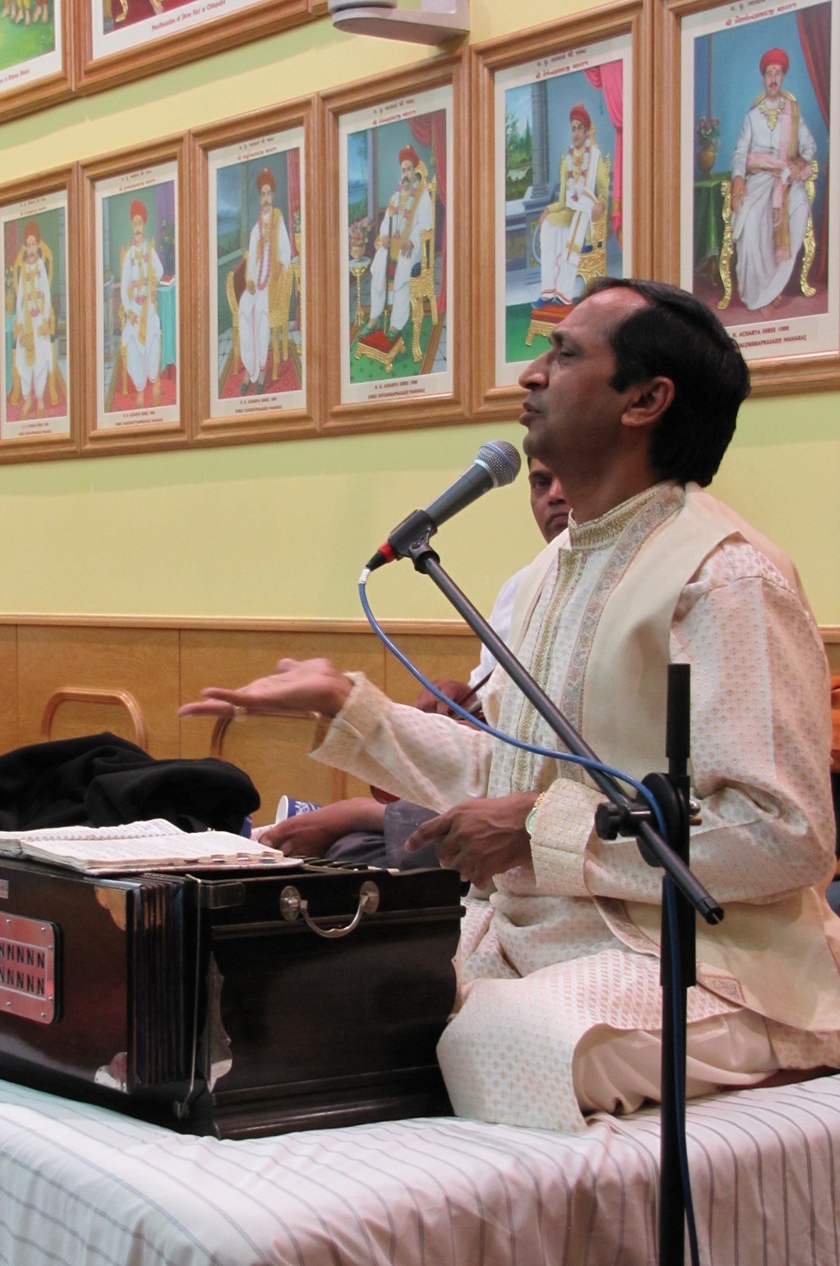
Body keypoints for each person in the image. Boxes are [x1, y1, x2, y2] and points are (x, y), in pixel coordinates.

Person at [181, 278, 839, 1133]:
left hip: (711, 966)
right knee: (323, 995)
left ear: (645, 400)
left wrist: (536, 830)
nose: (531, 374)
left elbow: (785, 834)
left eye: (564, 354)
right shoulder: (543, 576)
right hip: (530, 938)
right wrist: (350, 708)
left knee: (504, 1040)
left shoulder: (724, 577)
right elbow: (505, 775)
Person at [259, 459, 571, 863]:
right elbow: (495, 725)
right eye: (541, 482)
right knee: (340, 853)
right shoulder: (522, 586)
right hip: (483, 796)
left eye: (571, 473)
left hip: (541, 833)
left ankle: (361, 817)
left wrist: (359, 812)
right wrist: (463, 696)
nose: (555, 495)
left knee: (358, 853)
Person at [729, 48, 816, 316]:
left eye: (778, 73)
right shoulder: (752, 117)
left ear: (783, 77)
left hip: (786, 180)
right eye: (769, 73)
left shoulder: (794, 114)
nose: (774, 78)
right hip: (759, 180)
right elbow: (740, 152)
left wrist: (797, 164)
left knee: (799, 209)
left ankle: (774, 287)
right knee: (750, 217)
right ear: (763, 79)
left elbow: (810, 147)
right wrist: (739, 178)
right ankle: (758, 295)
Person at [537, 104, 608, 307]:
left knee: (571, 231)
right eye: (573, 128)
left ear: (587, 133)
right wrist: (548, 210)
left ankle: (564, 293)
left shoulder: (595, 158)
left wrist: (600, 205)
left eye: (580, 128)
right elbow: (562, 201)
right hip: (568, 211)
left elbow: (603, 192)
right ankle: (548, 290)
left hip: (585, 215)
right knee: (549, 225)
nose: (575, 133)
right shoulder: (567, 162)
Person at [367, 145, 434, 337]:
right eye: (403, 170)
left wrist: (412, 240)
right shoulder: (395, 197)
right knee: (379, 260)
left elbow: (426, 223)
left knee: (403, 264)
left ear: (414, 171)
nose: (405, 174)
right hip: (394, 244)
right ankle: (375, 315)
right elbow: (386, 222)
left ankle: (396, 323)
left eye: (409, 169)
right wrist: (384, 236)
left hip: (413, 248)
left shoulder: (422, 195)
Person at [236, 168, 291, 396]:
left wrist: (278, 265)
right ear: (260, 199)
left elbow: (286, 251)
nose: (266, 198)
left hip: (272, 282)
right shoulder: (255, 230)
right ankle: (249, 368)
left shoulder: (278, 221)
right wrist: (249, 281)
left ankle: (261, 370)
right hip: (256, 282)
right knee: (244, 309)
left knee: (260, 313)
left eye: (269, 193)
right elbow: (251, 262)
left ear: (272, 196)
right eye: (263, 194)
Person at [120, 200, 164, 407]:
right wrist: (129, 311)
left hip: (149, 307)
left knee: (153, 339)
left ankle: (154, 381)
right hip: (135, 310)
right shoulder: (128, 255)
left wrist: (153, 283)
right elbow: (123, 289)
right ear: (132, 227)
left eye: (140, 223)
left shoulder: (149, 250)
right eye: (134, 224)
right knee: (134, 348)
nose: (137, 227)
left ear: (143, 226)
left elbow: (160, 270)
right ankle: (140, 388)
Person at [13, 220, 53, 418]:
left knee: (40, 358)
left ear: (37, 246)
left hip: (39, 324)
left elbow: (47, 296)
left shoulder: (40, 268)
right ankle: (27, 398)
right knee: (24, 360)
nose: (30, 249)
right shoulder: (23, 271)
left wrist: (44, 319)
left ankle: (40, 398)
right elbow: (20, 299)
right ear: (25, 248)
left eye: (33, 244)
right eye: (28, 245)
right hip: (26, 323)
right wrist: (20, 325)